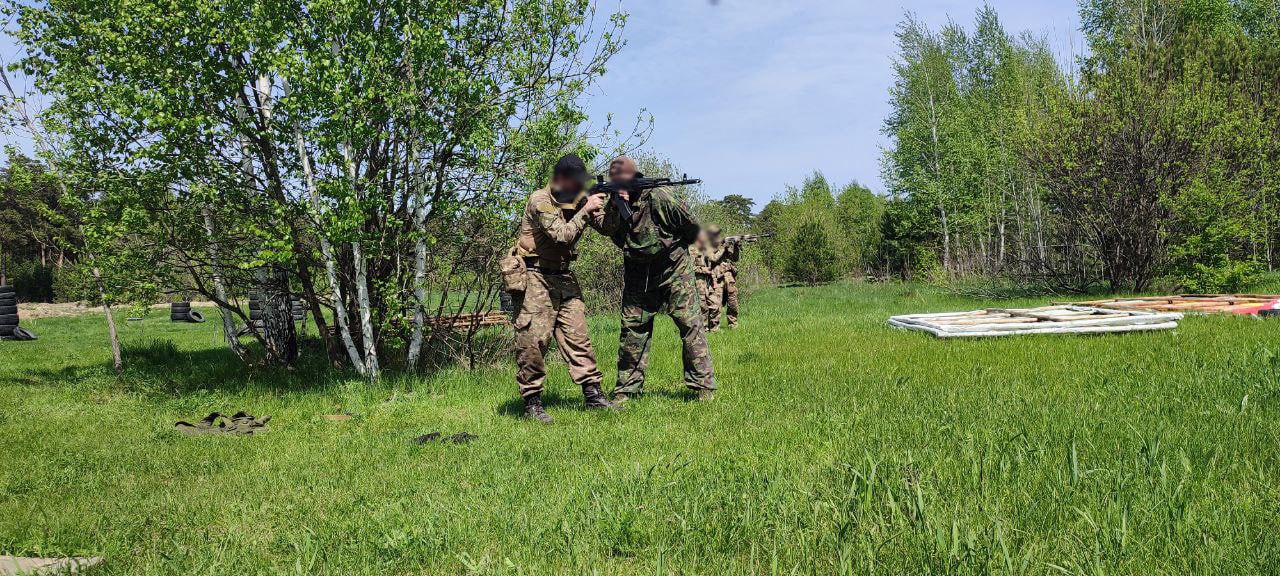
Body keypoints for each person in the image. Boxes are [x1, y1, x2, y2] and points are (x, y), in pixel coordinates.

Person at [509, 154, 622, 423]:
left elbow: (607, 227)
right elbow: (561, 235)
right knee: (533, 341)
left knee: (578, 336)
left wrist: (615, 202)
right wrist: (585, 209)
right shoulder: (540, 200)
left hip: (563, 277)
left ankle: (593, 395)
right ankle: (532, 403)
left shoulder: (579, 199)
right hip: (535, 276)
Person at [595, 156, 716, 403]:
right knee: (632, 329)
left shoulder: (661, 197)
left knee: (689, 324)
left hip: (674, 268)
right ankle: (626, 390)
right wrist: (616, 205)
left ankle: (703, 386)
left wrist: (673, 250)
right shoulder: (614, 200)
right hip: (638, 272)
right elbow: (607, 229)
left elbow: (691, 228)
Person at [706, 225, 741, 330]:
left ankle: (733, 325)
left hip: (729, 280)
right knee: (716, 304)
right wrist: (723, 247)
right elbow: (714, 259)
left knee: (732, 303)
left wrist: (736, 246)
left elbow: (735, 258)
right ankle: (714, 327)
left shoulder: (724, 249)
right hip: (717, 280)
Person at [692, 230, 717, 327]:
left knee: (714, 304)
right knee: (702, 306)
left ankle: (713, 327)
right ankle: (703, 328)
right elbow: (689, 267)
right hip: (698, 282)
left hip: (708, 282)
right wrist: (703, 270)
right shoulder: (692, 249)